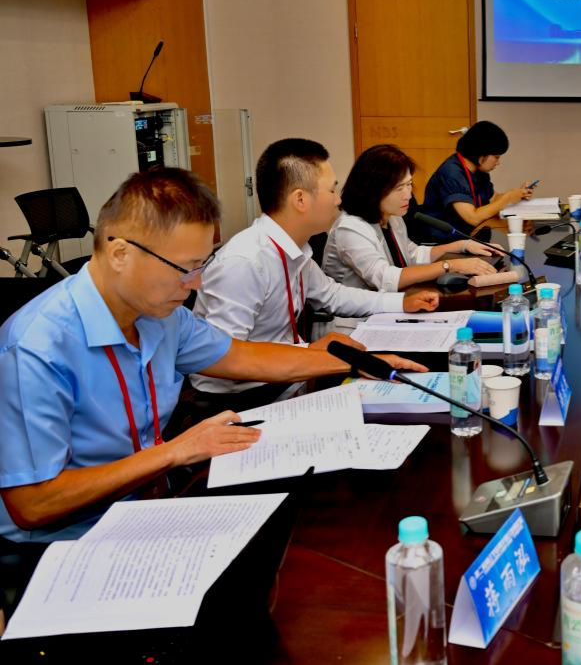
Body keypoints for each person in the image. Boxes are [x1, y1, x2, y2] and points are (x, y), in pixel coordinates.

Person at [0, 168, 424, 543]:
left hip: (150, 508)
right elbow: (33, 503)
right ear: (120, 254)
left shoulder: (159, 316)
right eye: (185, 268)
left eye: (201, 266)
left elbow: (243, 357)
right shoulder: (37, 347)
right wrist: (175, 451)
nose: (196, 284)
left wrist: (360, 362)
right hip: (68, 541)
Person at [192, 139, 439, 408]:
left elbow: (332, 295)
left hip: (288, 382)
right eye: (331, 190)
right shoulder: (244, 261)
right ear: (300, 199)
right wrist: (316, 353)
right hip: (241, 400)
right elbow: (224, 357)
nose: (338, 200)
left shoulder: (293, 248)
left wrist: (402, 302)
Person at [324, 144, 499, 292]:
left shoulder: (392, 217)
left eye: (409, 185)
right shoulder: (350, 228)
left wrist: (462, 245)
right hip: (358, 319)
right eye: (399, 188)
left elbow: (412, 255)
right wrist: (450, 265)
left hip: (391, 306)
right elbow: (384, 278)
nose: (408, 195)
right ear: (372, 189)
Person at [412, 121, 534, 243]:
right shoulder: (452, 173)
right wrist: (507, 198)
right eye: (496, 157)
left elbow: (493, 200)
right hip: (442, 242)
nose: (498, 163)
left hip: (469, 238)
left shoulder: (479, 171)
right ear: (481, 154)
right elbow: (473, 218)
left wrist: (518, 194)